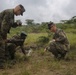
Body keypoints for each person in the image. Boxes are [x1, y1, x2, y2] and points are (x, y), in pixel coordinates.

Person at [0, 4, 25, 68]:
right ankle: (1, 64)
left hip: (2, 32)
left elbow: (11, 24)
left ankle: (6, 61)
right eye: (20, 13)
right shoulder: (9, 13)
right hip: (1, 32)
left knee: (4, 45)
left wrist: (17, 24)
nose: (19, 14)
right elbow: (4, 27)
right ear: (18, 9)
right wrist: (4, 37)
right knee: (2, 45)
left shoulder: (12, 15)